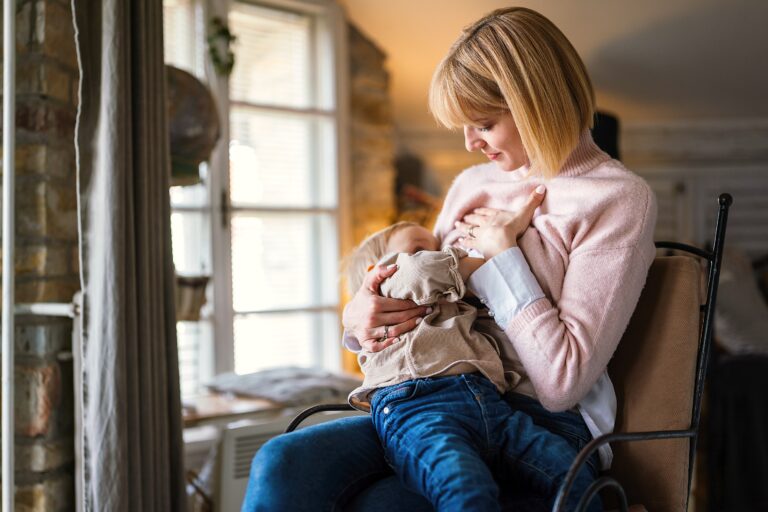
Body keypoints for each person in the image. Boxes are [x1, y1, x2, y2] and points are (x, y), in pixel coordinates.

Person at [242, 6, 656, 512]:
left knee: (383, 505)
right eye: (464, 125)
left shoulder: (615, 199)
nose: (469, 142)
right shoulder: (472, 185)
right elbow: (426, 295)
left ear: (536, 103)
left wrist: (505, 255)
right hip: (434, 399)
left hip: (542, 427)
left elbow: (561, 383)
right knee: (281, 463)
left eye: (483, 123)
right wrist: (360, 316)